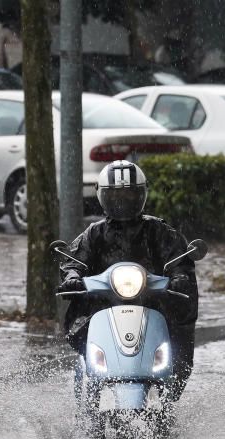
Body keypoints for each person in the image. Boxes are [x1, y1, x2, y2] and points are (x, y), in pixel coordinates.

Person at [58, 159, 198, 400]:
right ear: (102, 196)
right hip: (104, 305)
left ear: (142, 195)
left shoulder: (159, 231)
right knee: (84, 340)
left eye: (130, 196)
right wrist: (72, 277)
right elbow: (74, 259)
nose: (122, 202)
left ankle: (167, 393)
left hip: (154, 304)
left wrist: (179, 277)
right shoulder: (94, 233)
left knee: (179, 351)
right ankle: (89, 387)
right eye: (115, 197)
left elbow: (179, 260)